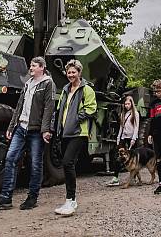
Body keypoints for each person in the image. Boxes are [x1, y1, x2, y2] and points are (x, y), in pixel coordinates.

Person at [0, 56, 55, 210]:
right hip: (20, 128)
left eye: (33, 65)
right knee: (10, 158)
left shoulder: (47, 84)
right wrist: (11, 127)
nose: (30, 68)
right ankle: (5, 198)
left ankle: (32, 198)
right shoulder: (28, 83)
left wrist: (45, 130)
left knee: (35, 164)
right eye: (30, 65)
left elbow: (49, 108)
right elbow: (19, 106)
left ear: (41, 67)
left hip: (36, 130)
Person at [51, 59, 97, 216]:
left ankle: (71, 200)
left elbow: (92, 108)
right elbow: (59, 110)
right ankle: (70, 200)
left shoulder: (87, 89)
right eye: (69, 72)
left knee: (67, 162)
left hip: (79, 132)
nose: (70, 75)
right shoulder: (65, 89)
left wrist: (76, 118)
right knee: (66, 165)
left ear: (79, 72)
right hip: (65, 132)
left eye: (73, 72)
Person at [106, 94, 140, 186]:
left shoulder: (135, 114)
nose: (127, 106)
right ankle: (115, 178)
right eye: (125, 104)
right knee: (118, 157)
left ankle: (134, 178)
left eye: (128, 104)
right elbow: (121, 127)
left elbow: (136, 127)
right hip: (123, 138)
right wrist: (118, 138)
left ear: (132, 104)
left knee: (133, 159)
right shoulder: (122, 114)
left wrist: (134, 138)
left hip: (131, 138)